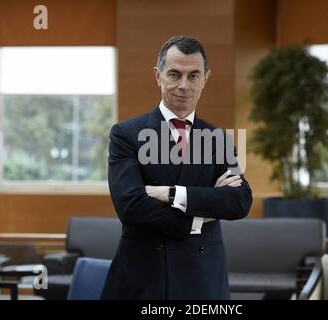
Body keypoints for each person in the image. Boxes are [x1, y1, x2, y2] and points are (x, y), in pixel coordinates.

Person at [100, 35, 252, 300]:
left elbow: (239, 200)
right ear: (158, 76)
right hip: (143, 279)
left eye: (193, 75)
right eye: (174, 74)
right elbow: (131, 206)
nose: (184, 85)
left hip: (202, 279)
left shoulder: (218, 138)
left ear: (206, 79)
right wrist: (199, 217)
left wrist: (171, 193)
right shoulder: (126, 134)